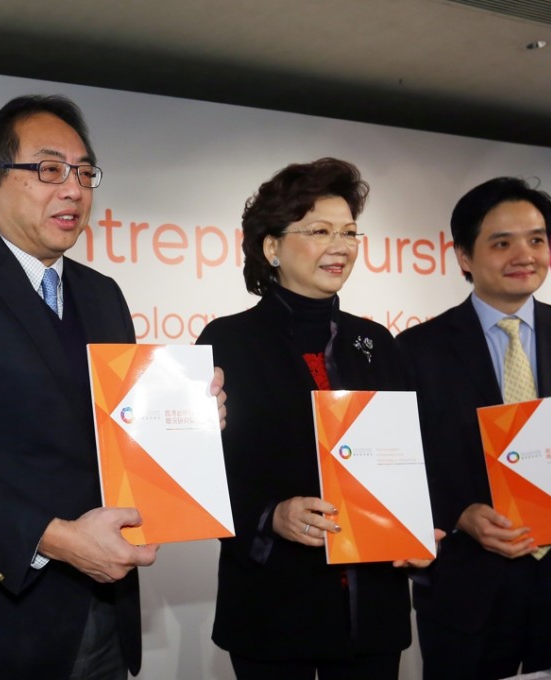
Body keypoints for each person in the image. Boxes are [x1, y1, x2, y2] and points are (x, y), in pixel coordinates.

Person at [0, 94, 225, 680]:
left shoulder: (103, 293)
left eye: (85, 172)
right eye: (47, 169)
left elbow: (118, 441)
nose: (73, 189)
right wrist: (54, 539)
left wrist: (186, 423)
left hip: (106, 616)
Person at [197, 158, 425, 680]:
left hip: (373, 605)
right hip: (274, 601)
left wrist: (417, 522)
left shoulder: (377, 344)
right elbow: (203, 472)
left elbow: (410, 458)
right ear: (271, 247)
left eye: (349, 232)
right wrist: (268, 516)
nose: (340, 245)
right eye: (319, 230)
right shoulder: (227, 341)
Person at [396, 177, 551, 680]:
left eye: (537, 239)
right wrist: (456, 515)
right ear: (464, 257)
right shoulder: (415, 351)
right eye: (502, 242)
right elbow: (397, 467)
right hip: (466, 587)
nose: (524, 255)